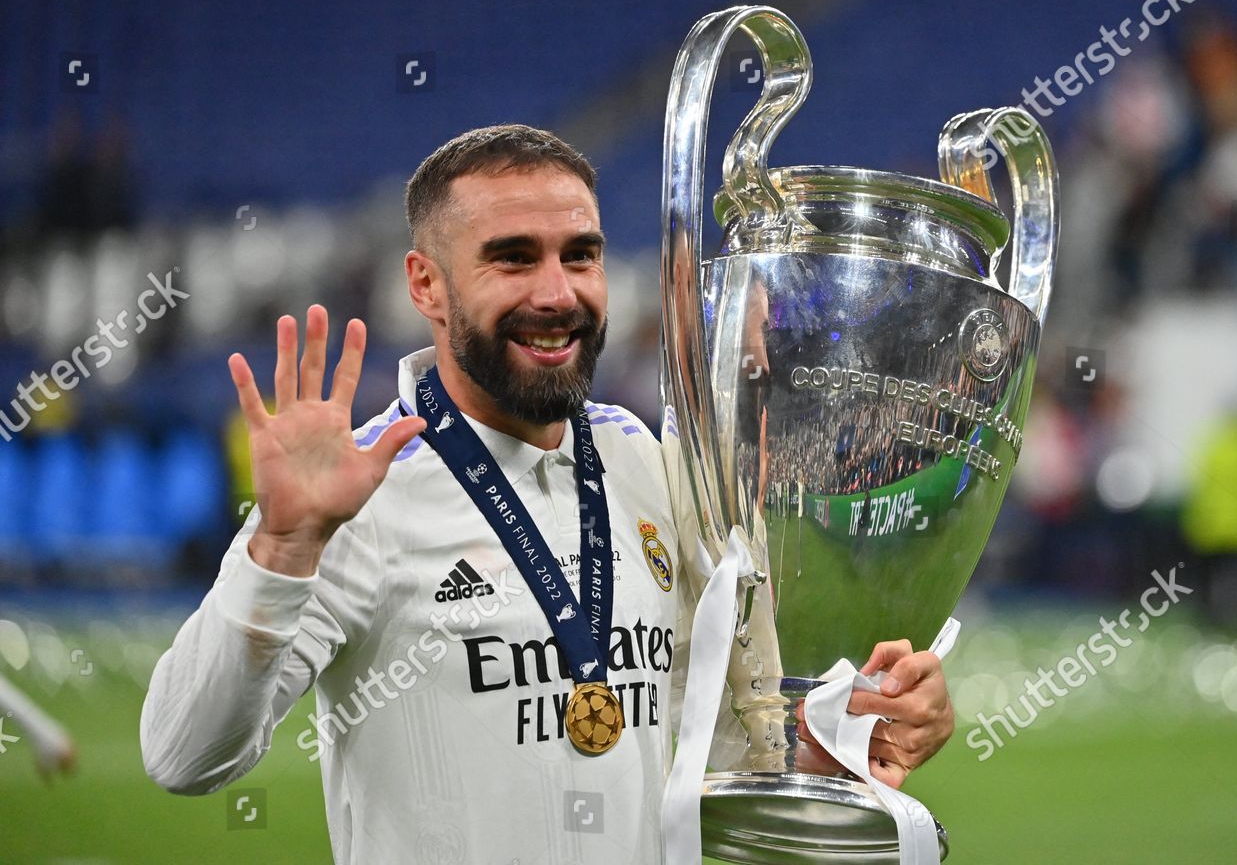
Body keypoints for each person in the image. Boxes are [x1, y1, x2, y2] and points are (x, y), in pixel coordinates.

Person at [140, 124, 955, 864]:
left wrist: (857, 731)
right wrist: (282, 549)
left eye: (582, 254)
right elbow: (182, 757)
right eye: (513, 257)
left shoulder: (650, 462)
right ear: (425, 285)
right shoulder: (360, 497)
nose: (557, 293)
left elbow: (723, 745)